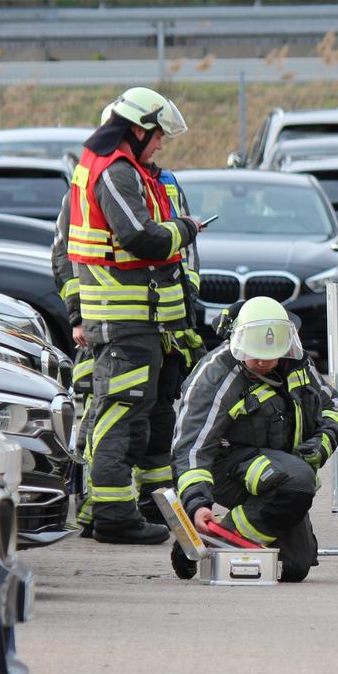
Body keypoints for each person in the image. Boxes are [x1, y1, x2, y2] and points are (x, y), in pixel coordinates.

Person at [55, 104, 207, 537]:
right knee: (118, 416)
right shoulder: (116, 172)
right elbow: (141, 237)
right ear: (137, 129)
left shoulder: (134, 175)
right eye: (157, 135)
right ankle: (112, 516)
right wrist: (186, 229)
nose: (160, 145)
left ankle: (131, 509)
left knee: (143, 418)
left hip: (150, 321)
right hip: (124, 319)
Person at [169, 297, 338, 583]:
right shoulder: (215, 376)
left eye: (270, 354)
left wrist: (321, 445)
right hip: (228, 468)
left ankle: (211, 539)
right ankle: (217, 539)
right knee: (299, 482)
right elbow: (191, 449)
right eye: (255, 354)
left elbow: (332, 408)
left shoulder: (298, 363)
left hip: (282, 472)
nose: (262, 361)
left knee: (296, 566)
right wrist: (197, 502)